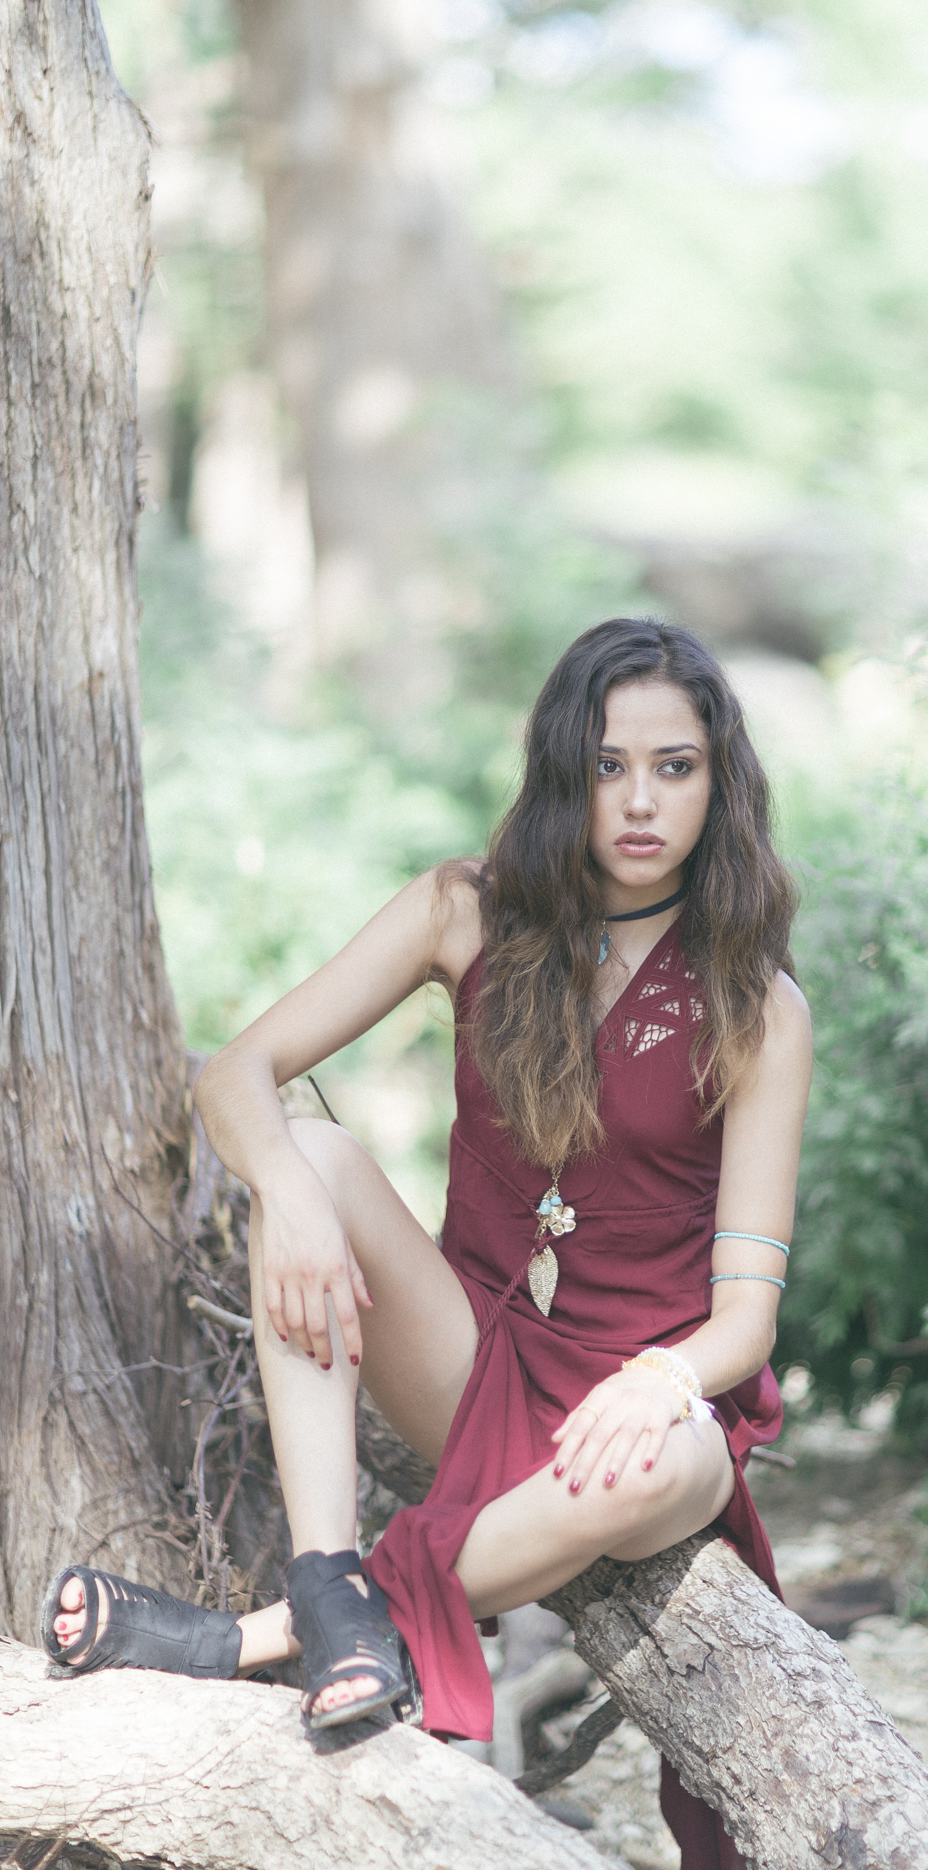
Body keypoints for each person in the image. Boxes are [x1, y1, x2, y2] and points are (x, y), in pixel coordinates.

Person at [43, 617, 812, 1870]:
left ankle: (269, 1633)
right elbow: (239, 1072)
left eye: (674, 767)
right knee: (316, 1155)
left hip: (642, 1408)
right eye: (608, 765)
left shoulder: (758, 1005)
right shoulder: (468, 910)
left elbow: (747, 1321)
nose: (639, 800)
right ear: (564, 770)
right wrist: (288, 1193)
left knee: (661, 1465)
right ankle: (324, 1568)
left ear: (718, 783)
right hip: (474, 1353)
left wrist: (663, 1376)